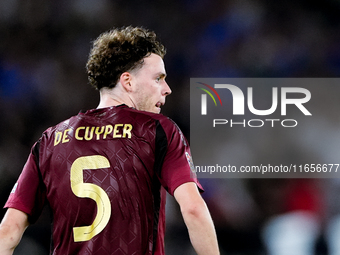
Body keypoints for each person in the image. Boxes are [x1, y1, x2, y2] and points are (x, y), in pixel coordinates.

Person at [0, 26, 219, 255]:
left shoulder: (49, 140)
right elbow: (193, 209)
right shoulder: (158, 130)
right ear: (128, 81)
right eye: (158, 79)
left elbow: (8, 231)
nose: (167, 89)